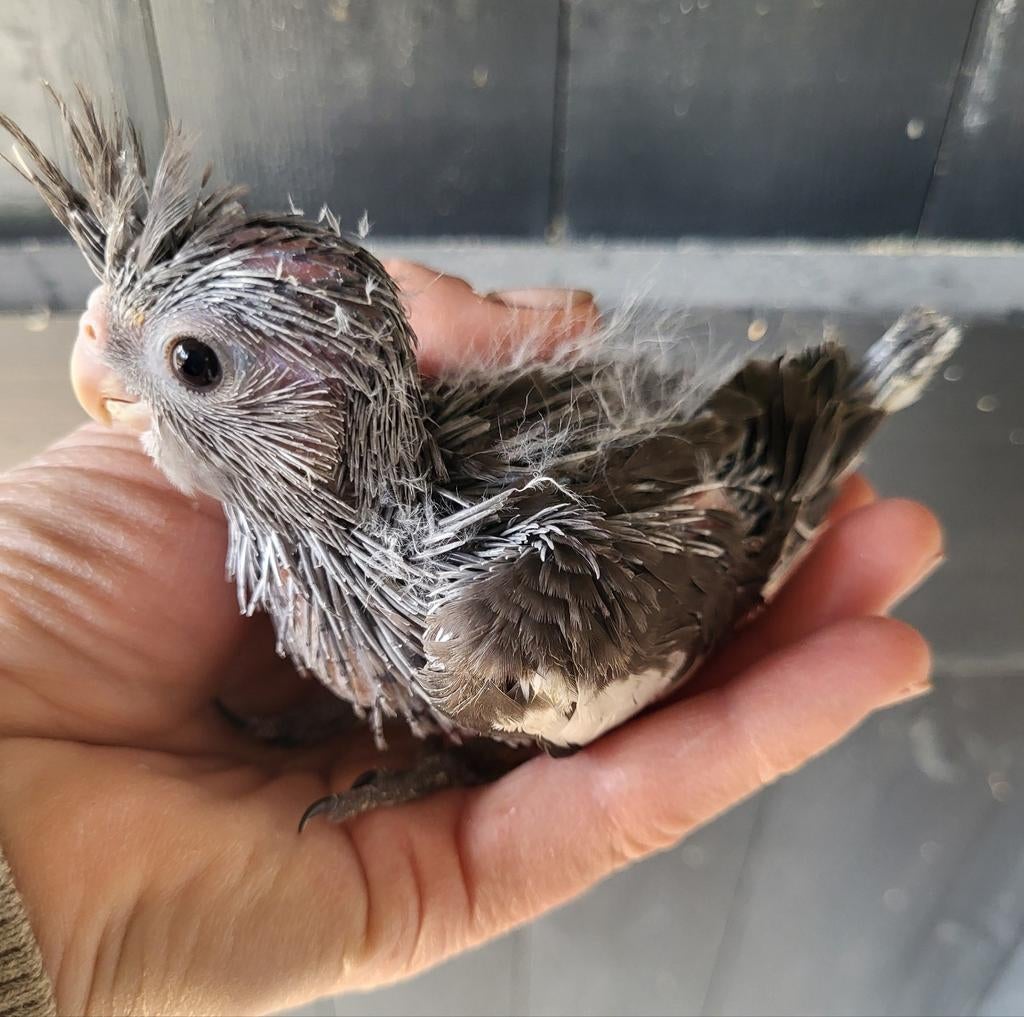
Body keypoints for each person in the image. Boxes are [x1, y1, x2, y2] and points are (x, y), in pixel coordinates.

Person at [0, 263, 941, 1016]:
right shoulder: (274, 527)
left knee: (495, 678)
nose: (95, 357)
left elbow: (701, 508)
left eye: (194, 364)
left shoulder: (488, 633)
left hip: (706, 509)